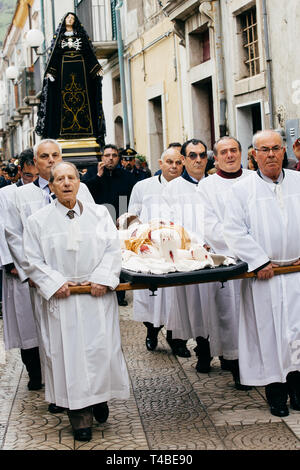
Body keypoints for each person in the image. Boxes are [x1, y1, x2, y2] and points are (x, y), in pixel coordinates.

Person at [22, 161, 130, 442]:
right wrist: (55, 282)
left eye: (71, 177)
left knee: (99, 351)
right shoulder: (38, 221)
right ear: (52, 185)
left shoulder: (99, 215)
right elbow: (31, 259)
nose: (67, 183)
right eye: (60, 179)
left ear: (79, 182)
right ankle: (79, 412)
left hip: (95, 296)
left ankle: (99, 397)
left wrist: (103, 277)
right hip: (64, 298)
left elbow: (112, 249)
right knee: (68, 356)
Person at [5, 138, 94, 415]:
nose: (51, 160)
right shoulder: (18, 196)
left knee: (77, 337)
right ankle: (56, 391)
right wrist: (33, 273)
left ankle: (91, 393)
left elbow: (92, 225)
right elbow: (14, 236)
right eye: (45, 156)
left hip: (76, 279)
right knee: (48, 338)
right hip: (41, 279)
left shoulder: (81, 189)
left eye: (56, 155)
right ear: (35, 161)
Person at [223, 130, 300, 416]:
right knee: (269, 336)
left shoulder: (299, 182)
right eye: (264, 149)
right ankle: (276, 394)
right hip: (265, 276)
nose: (270, 154)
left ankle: (298, 389)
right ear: (253, 155)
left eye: (276, 148)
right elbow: (233, 230)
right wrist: (258, 260)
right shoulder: (241, 190)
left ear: (284, 152)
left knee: (297, 334)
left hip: (296, 272)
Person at [196, 137, 252, 390]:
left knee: (255, 316)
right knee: (230, 315)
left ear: (241, 153)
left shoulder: (255, 180)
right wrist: (241, 243)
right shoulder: (206, 187)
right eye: (223, 152)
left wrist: (254, 248)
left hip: (257, 260)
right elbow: (209, 225)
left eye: (234, 150)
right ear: (215, 158)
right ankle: (236, 363)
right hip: (227, 260)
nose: (230, 156)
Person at [127, 146, 190, 357]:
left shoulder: (189, 188)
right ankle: (152, 331)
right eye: (169, 162)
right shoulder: (142, 186)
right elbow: (132, 216)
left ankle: (177, 340)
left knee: (177, 298)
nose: (174, 166)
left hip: (178, 252)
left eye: (178, 162)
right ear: (160, 163)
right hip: (151, 252)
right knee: (151, 297)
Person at [161, 139, 213, 372]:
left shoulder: (215, 184)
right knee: (197, 308)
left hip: (218, 256)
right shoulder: (172, 190)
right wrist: (193, 243)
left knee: (222, 308)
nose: (198, 160)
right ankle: (204, 351)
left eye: (202, 155)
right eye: (192, 156)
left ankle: (232, 358)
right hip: (190, 258)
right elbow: (171, 224)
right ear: (184, 160)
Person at [0, 149, 41, 391]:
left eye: (37, 176)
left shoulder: (48, 193)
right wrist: (11, 263)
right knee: (27, 325)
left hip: (45, 269)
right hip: (20, 271)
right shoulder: (7, 195)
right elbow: (4, 231)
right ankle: (33, 371)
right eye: (27, 176)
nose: (32, 181)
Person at [35, 12, 105, 147]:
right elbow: (54, 56)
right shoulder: (59, 38)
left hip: (81, 73)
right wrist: (51, 72)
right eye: (68, 17)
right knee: (64, 102)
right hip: (64, 74)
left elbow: (88, 54)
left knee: (83, 101)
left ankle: (87, 133)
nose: (70, 20)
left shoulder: (81, 37)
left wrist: (96, 68)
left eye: (73, 18)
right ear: (64, 20)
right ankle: (63, 133)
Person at [86, 144, 136, 306]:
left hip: (119, 223)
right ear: (102, 158)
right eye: (107, 155)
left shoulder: (127, 177)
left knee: (119, 258)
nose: (110, 158)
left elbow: (130, 200)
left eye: (114, 155)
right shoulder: (93, 173)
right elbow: (86, 194)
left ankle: (120, 293)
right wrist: (99, 176)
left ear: (119, 159)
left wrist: (124, 220)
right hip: (97, 224)